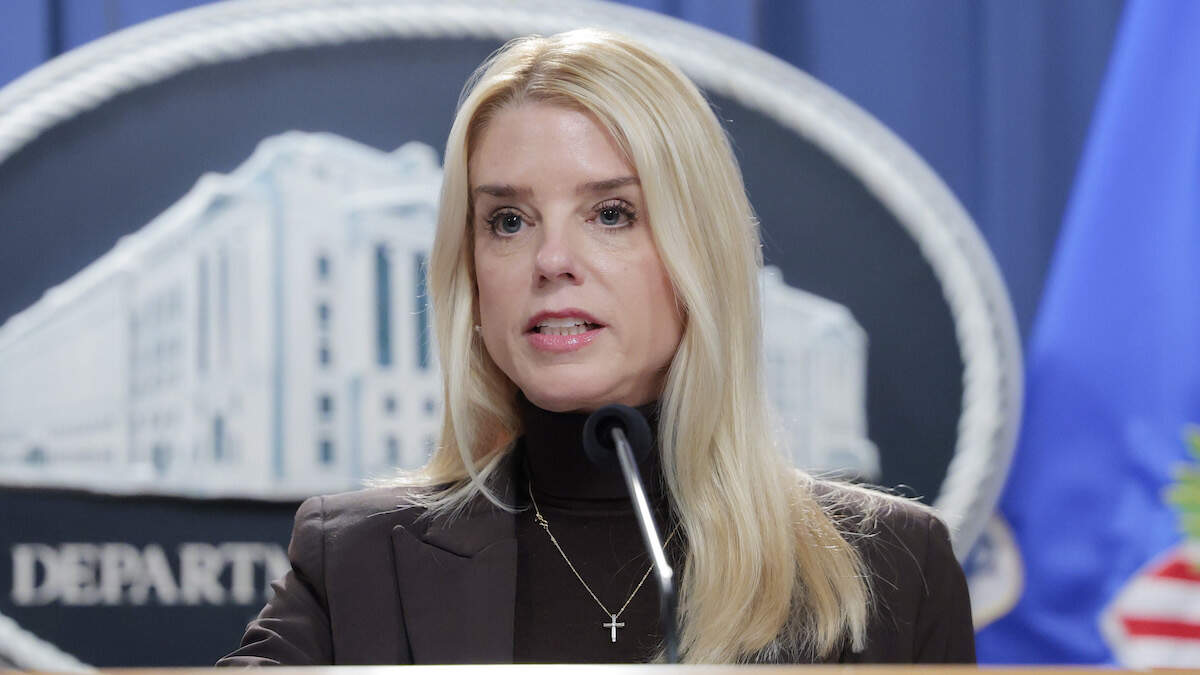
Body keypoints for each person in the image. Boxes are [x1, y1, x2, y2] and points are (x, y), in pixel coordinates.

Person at [219, 28, 974, 666]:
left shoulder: (894, 566)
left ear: (700, 254)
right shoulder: (356, 559)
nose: (552, 260)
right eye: (508, 221)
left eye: (611, 213)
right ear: (472, 274)